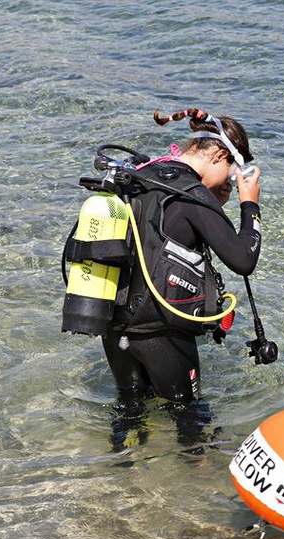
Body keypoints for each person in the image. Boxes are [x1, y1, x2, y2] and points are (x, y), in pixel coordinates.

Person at [101, 107, 262, 410]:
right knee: (189, 420)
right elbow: (243, 260)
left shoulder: (142, 176)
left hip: (114, 326)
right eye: (229, 172)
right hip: (160, 333)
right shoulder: (192, 194)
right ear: (217, 157)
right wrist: (249, 205)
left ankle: (121, 459)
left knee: (129, 413)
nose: (227, 181)